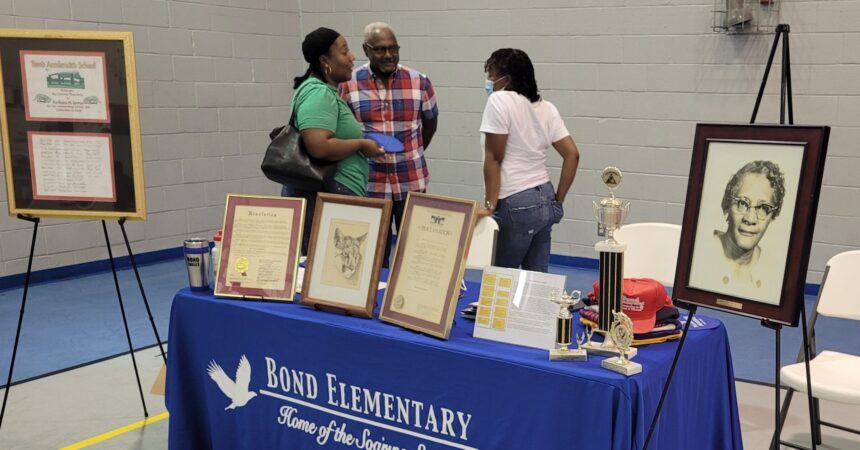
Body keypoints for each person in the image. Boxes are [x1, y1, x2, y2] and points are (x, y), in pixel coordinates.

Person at [339, 22, 439, 268]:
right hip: (370, 183)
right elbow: (343, 131)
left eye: (393, 49)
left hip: (411, 181)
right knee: (372, 255)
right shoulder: (348, 84)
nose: (388, 56)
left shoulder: (419, 82)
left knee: (414, 255)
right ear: (366, 50)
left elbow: (430, 124)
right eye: (380, 50)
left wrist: (412, 153)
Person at [282, 27, 384, 255]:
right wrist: (361, 145)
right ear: (324, 60)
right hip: (326, 194)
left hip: (333, 193)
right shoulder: (319, 93)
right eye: (344, 51)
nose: (352, 57)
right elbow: (319, 146)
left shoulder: (326, 91)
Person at [478, 48, 580, 273]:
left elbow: (494, 158)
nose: (490, 81)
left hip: (514, 200)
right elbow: (572, 154)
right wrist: (558, 200)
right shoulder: (547, 107)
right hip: (545, 197)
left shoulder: (499, 100)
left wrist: (489, 206)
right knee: (537, 283)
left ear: (507, 78)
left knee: (501, 280)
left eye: (492, 75)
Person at [711, 160, 786, 290]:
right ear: (727, 204)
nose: (750, 219)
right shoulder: (702, 252)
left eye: (763, 208)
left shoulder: (774, 272)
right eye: (742, 203)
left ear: (772, 216)